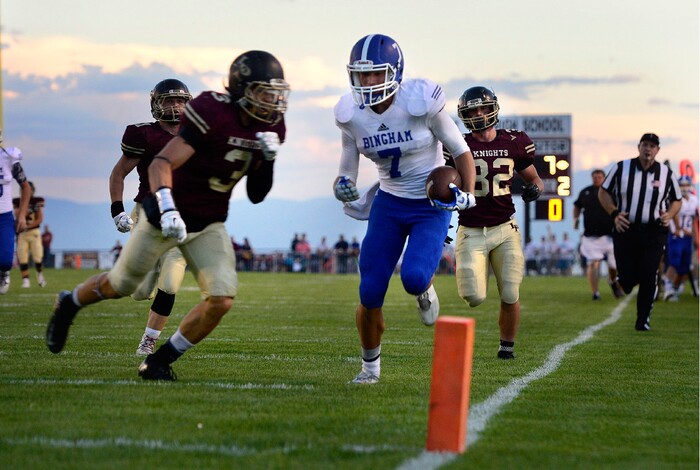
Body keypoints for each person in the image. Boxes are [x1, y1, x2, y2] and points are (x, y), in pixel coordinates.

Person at [46, 50, 290, 381]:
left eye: (276, 92)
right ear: (242, 88)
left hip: (207, 223)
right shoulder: (211, 111)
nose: (273, 100)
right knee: (121, 285)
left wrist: (269, 159)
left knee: (221, 298)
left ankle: (158, 360)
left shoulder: (272, 124)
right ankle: (70, 303)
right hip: (164, 214)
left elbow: (256, 195)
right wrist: (167, 206)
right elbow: (162, 163)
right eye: (265, 91)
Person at [333, 34, 476, 384]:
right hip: (389, 202)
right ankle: (370, 368)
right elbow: (346, 169)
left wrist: (468, 194)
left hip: (430, 203)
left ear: (394, 72)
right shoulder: (351, 116)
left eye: (375, 74)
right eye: (361, 75)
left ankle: (424, 287)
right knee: (369, 292)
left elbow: (460, 150)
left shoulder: (420, 102)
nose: (367, 82)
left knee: (413, 278)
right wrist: (342, 187)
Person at [446, 85, 542, 360]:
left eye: (482, 108)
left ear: (493, 109)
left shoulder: (514, 141)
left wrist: (535, 188)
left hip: (504, 228)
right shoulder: (457, 144)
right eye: (472, 110)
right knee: (473, 296)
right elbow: (444, 184)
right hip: (471, 229)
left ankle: (506, 348)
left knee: (510, 291)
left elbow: (534, 177)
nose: (478, 114)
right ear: (464, 115)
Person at [109, 78, 193, 355]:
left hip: (183, 218)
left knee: (170, 283)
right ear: (156, 104)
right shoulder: (143, 134)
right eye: (169, 100)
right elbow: (119, 173)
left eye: (180, 100)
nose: (176, 106)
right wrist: (117, 210)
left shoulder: (196, 134)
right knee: (139, 290)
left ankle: (148, 341)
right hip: (147, 214)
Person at [598, 133, 681, 331]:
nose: (648, 149)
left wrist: (669, 215)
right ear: (638, 147)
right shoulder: (621, 168)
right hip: (626, 228)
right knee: (627, 281)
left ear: (658, 150)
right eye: (645, 145)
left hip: (654, 231)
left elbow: (677, 199)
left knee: (649, 274)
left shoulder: (666, 173)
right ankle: (622, 282)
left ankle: (642, 320)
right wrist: (614, 213)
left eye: (652, 146)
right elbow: (603, 191)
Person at [573, 169, 624, 300]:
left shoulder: (611, 192)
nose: (597, 179)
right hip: (591, 236)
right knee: (593, 262)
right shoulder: (586, 192)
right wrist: (575, 219)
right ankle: (595, 292)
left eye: (599, 177)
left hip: (610, 235)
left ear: (604, 178)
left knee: (614, 265)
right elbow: (577, 206)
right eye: (594, 177)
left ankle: (612, 281)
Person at [0, 130, 31, 294]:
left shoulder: (9, 160)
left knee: (5, 261)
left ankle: (3, 273)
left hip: (4, 215)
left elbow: (26, 188)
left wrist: (21, 215)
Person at [662, 176, 698, 300]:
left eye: (686, 185)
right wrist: (678, 229)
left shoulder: (694, 200)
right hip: (676, 235)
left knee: (685, 267)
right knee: (674, 262)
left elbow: (694, 219)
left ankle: (674, 288)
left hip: (687, 237)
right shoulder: (674, 198)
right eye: (681, 185)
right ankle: (667, 288)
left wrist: (694, 234)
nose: (684, 187)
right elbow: (673, 214)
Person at [13, 181, 47, 288]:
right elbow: (17, 214)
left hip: (33, 232)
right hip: (22, 233)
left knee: (37, 257)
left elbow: (40, 219)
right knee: (22, 257)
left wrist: (28, 226)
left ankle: (40, 275)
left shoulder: (37, 201)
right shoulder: (18, 201)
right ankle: (25, 280)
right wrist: (26, 210)